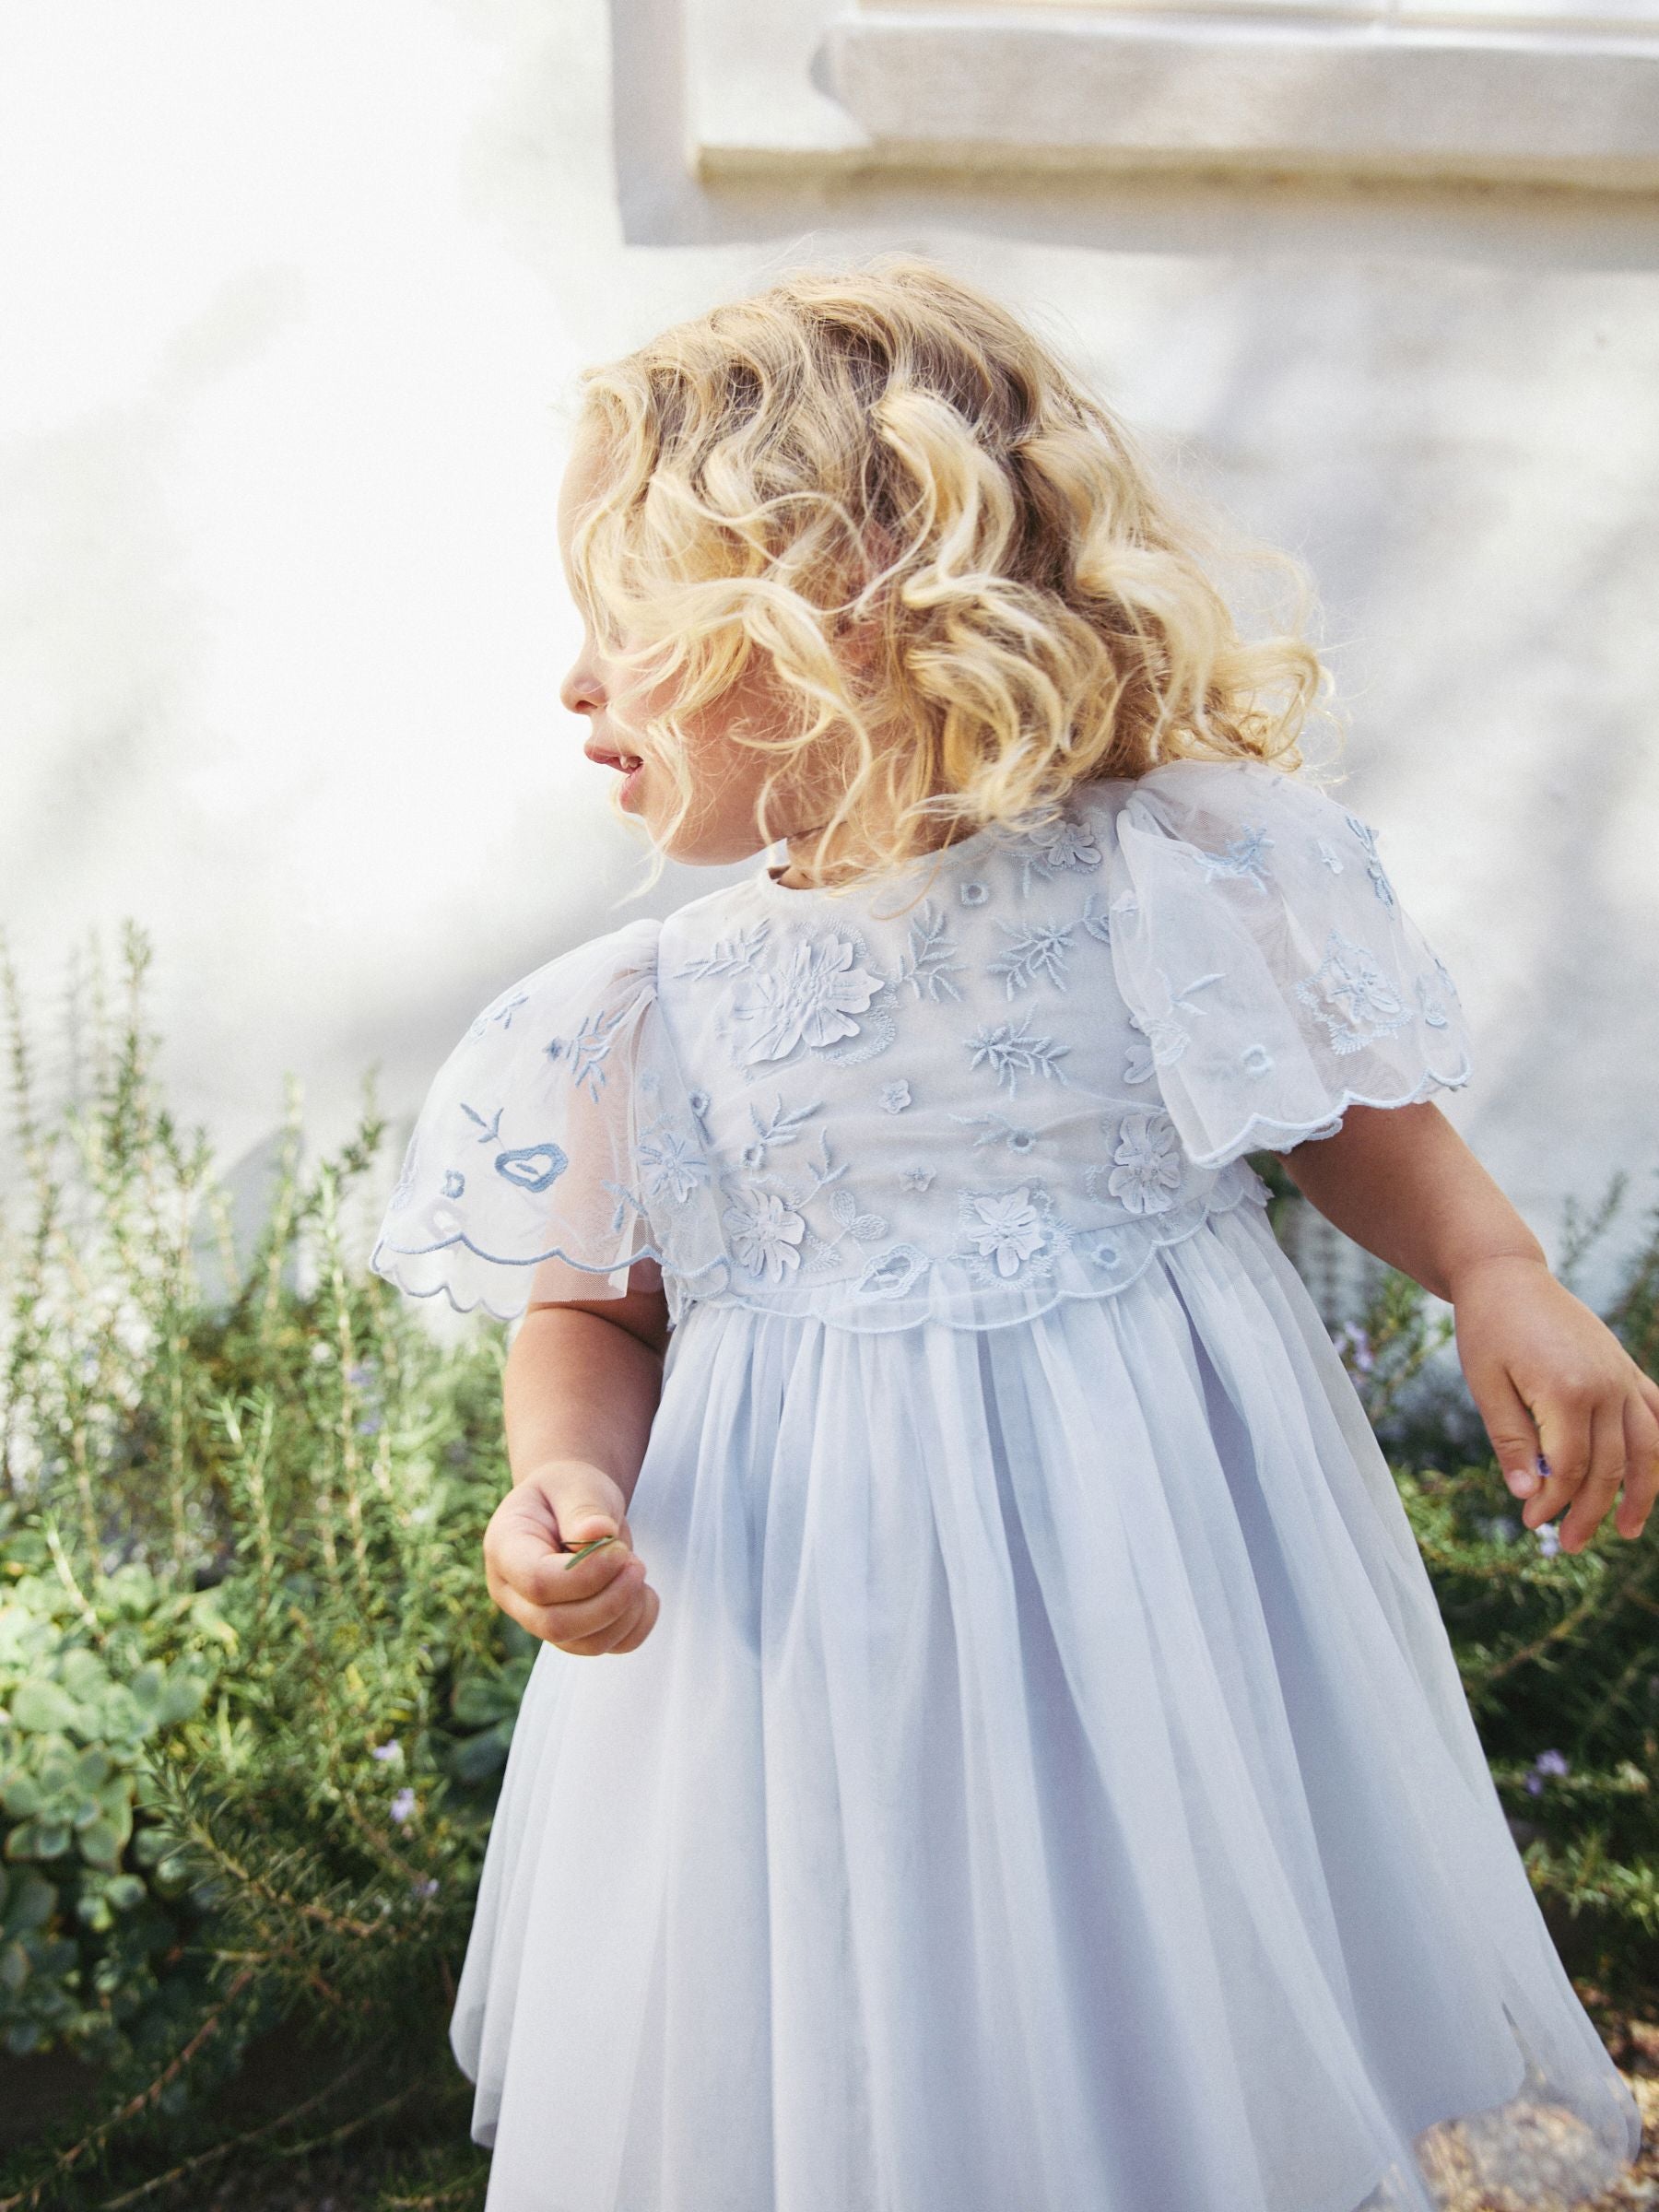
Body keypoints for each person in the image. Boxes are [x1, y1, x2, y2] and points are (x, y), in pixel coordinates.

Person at [371, 255, 1656, 2212]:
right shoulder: (649, 1008)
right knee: (879, 2015)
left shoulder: (1167, 873)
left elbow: (1340, 1112)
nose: (571, 681)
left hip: (1167, 1573)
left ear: (839, 614)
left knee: (1167, 1974)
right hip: (816, 1625)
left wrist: (1497, 1269)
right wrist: (560, 1483)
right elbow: (597, 1312)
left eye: (619, 621)